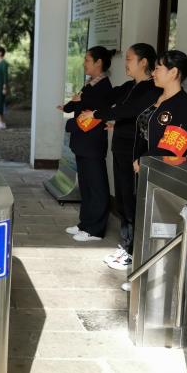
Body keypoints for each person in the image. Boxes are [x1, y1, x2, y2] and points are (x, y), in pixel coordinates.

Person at [118, 50, 187, 292]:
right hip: (143, 170)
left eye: (158, 68)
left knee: (160, 226)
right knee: (143, 222)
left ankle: (157, 282)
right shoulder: (156, 97)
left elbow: (173, 146)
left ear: (174, 72)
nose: (153, 73)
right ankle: (140, 275)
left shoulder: (185, 106)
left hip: (164, 175)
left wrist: (144, 160)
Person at [77, 43, 161, 269]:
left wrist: (96, 114)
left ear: (143, 62)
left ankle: (132, 251)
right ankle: (126, 247)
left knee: (131, 200)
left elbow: (128, 111)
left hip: (135, 151)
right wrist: (85, 97)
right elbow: (110, 98)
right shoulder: (130, 86)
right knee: (123, 200)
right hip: (121, 147)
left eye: (129, 59)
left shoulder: (151, 88)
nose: (125, 63)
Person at [59, 46, 116, 242]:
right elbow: (80, 107)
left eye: (87, 60)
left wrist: (70, 124)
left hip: (92, 143)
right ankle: (85, 223)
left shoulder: (103, 88)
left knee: (96, 186)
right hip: (83, 143)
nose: (84, 64)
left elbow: (93, 117)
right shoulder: (91, 84)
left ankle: (96, 229)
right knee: (86, 185)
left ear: (99, 62)